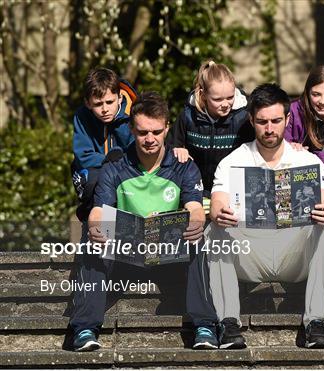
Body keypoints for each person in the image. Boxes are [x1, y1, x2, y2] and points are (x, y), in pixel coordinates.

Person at [69, 92, 220, 352]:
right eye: (142, 132)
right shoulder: (114, 166)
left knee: (198, 236)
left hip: (169, 258)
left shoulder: (184, 166)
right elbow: (99, 210)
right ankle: (84, 328)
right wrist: (95, 226)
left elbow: (195, 207)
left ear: (167, 129)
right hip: (125, 258)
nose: (149, 139)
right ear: (131, 129)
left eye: (156, 131)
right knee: (91, 236)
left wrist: (195, 221)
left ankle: (204, 326)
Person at [205, 83, 324, 349]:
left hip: (295, 252)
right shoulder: (232, 161)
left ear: (288, 120)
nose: (269, 129)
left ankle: (316, 323)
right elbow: (217, 201)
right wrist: (218, 213)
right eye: (262, 122)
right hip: (249, 252)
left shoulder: (308, 162)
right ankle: (228, 322)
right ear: (252, 121)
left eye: (276, 121)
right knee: (214, 230)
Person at [166, 60, 254, 198]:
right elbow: (169, 145)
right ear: (203, 95)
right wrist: (177, 149)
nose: (225, 104)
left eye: (230, 97)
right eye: (217, 99)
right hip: (195, 189)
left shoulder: (243, 118)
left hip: (232, 190)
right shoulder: (188, 116)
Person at [71, 67, 138, 222]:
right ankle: (91, 223)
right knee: (94, 181)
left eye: (110, 102)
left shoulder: (134, 114)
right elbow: (83, 155)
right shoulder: (82, 116)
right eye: (98, 104)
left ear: (120, 98)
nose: (105, 109)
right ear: (88, 103)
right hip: (95, 172)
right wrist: (108, 160)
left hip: (128, 169)